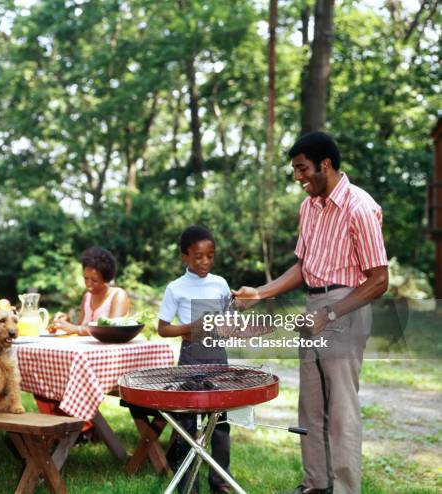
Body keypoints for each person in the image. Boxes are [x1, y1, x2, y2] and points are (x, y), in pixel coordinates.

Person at [233, 132, 388, 494]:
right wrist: (260, 292)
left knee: (342, 410)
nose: (298, 177)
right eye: (295, 170)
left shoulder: (359, 207)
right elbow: (303, 266)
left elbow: (379, 281)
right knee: (311, 407)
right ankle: (316, 485)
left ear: (326, 165)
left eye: (302, 169)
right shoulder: (310, 207)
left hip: (346, 307)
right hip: (313, 307)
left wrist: (330, 314)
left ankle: (346, 489)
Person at [157, 225, 232, 494]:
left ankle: (220, 481)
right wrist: (190, 328)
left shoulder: (221, 283)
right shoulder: (175, 288)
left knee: (221, 423)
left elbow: (227, 318)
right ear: (185, 257)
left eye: (210, 256)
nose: (205, 262)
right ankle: (189, 486)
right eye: (198, 256)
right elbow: (163, 328)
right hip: (190, 358)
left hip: (217, 357)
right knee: (188, 425)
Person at [49, 247, 130, 335]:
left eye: (94, 280)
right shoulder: (87, 297)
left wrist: (75, 328)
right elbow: (80, 329)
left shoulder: (118, 295)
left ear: (105, 279)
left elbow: (113, 330)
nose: (88, 284)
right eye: (86, 278)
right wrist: (67, 322)